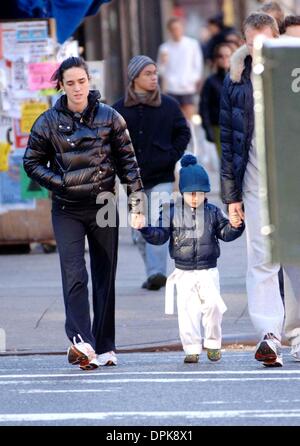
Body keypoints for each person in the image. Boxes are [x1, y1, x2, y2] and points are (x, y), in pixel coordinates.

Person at [23, 57, 144, 370]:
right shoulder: (47, 122)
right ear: (61, 86)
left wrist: (136, 203)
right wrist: (61, 182)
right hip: (67, 208)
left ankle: (105, 346)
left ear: (90, 81)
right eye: (70, 83)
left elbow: (128, 163)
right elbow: (31, 162)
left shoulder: (111, 117)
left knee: (105, 275)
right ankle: (81, 341)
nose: (77, 88)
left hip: (104, 204)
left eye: (81, 81)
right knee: (74, 274)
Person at [220, 13, 294, 367]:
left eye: (265, 42)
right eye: (252, 44)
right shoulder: (235, 81)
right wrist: (231, 195)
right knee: (262, 260)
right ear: (245, 43)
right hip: (254, 181)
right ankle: (269, 335)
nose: (259, 50)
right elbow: (229, 143)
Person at [139, 154, 244, 363]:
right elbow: (160, 236)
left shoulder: (213, 212)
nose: (195, 197)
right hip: (183, 271)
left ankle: (213, 343)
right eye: (190, 193)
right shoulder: (171, 212)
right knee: (187, 312)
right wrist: (145, 228)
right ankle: (192, 348)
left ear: (206, 193)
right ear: (182, 192)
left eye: (200, 193)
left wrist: (235, 226)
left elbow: (225, 233)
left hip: (208, 270)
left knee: (213, 307)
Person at [113, 55, 190, 291]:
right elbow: (110, 142)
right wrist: (119, 166)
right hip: (132, 180)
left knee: (157, 222)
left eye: (155, 73)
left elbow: (183, 133)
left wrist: (170, 155)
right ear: (134, 78)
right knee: (139, 231)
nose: (153, 77)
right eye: (148, 73)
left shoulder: (169, 105)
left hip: (162, 177)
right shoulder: (118, 109)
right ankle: (153, 272)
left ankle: (157, 273)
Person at [157, 17, 204, 121]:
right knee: (174, 119)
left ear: (182, 28)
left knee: (189, 120)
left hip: (187, 88)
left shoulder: (192, 44)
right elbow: (160, 71)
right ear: (169, 31)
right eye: (173, 29)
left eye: (178, 28)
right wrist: (163, 62)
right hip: (171, 89)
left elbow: (198, 66)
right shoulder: (164, 48)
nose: (176, 31)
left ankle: (190, 137)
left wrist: (191, 81)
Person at [199, 43, 233, 157]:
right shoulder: (210, 82)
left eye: (228, 55)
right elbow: (204, 107)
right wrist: (208, 129)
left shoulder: (240, 79)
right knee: (225, 161)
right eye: (220, 56)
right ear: (216, 59)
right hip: (218, 127)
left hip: (239, 127)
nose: (224, 59)